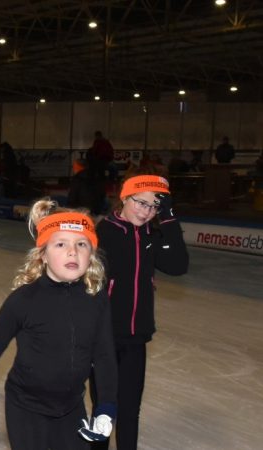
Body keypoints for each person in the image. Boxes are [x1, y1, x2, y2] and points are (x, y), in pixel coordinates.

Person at [0, 197, 117, 450]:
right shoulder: (24, 300)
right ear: (43, 255)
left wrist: (106, 406)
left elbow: (104, 355)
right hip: (26, 409)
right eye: (61, 244)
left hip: (71, 408)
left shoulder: (97, 298)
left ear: (91, 255)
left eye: (81, 244)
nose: (73, 251)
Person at [91, 173, 188, 450]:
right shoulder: (102, 234)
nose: (146, 212)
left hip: (136, 338)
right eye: (140, 203)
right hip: (103, 339)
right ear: (124, 197)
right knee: (103, 409)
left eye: (154, 207)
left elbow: (178, 265)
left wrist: (168, 217)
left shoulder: (151, 235)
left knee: (130, 410)